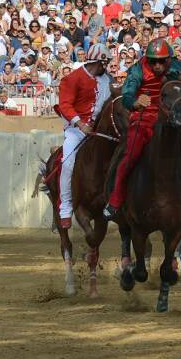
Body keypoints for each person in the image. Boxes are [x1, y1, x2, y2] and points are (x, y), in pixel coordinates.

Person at [103, 38, 181, 230]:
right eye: (154, 61)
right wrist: (136, 101)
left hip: (174, 121)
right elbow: (127, 94)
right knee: (130, 155)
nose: (158, 65)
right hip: (144, 119)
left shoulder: (180, 68)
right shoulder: (137, 69)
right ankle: (116, 199)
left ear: (169, 59)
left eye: (162, 61)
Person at [55, 44, 112, 229]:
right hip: (76, 130)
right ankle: (65, 206)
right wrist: (80, 124)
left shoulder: (106, 79)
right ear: (97, 62)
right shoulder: (72, 79)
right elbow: (65, 105)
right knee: (68, 161)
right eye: (105, 62)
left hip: (100, 130)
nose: (107, 66)